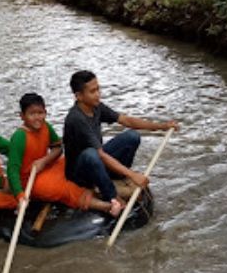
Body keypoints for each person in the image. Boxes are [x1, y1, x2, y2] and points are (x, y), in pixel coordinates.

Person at [63, 70, 178, 203]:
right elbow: (100, 155)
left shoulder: (96, 107)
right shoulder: (76, 119)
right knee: (91, 154)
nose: (98, 94)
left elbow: (126, 121)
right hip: (81, 172)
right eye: (93, 91)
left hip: (97, 158)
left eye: (98, 89)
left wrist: (162, 126)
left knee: (132, 136)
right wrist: (133, 175)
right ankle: (111, 195)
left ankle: (117, 176)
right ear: (79, 96)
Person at [7, 92, 122, 216]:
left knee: (77, 162)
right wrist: (20, 196)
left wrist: (44, 161)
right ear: (22, 116)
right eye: (32, 114)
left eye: (40, 113)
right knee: (64, 189)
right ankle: (106, 206)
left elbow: (58, 148)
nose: (37, 118)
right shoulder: (19, 137)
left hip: (48, 166)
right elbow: (12, 170)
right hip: (30, 179)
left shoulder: (45, 127)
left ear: (45, 112)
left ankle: (96, 188)